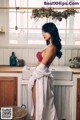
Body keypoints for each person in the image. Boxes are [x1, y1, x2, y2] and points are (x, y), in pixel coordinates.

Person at [28, 22, 62, 120]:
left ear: (52, 32)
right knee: (37, 107)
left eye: (46, 31)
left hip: (40, 78)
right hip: (39, 77)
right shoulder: (49, 46)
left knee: (38, 108)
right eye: (43, 31)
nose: (43, 34)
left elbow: (42, 66)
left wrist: (32, 77)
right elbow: (40, 61)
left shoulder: (52, 48)